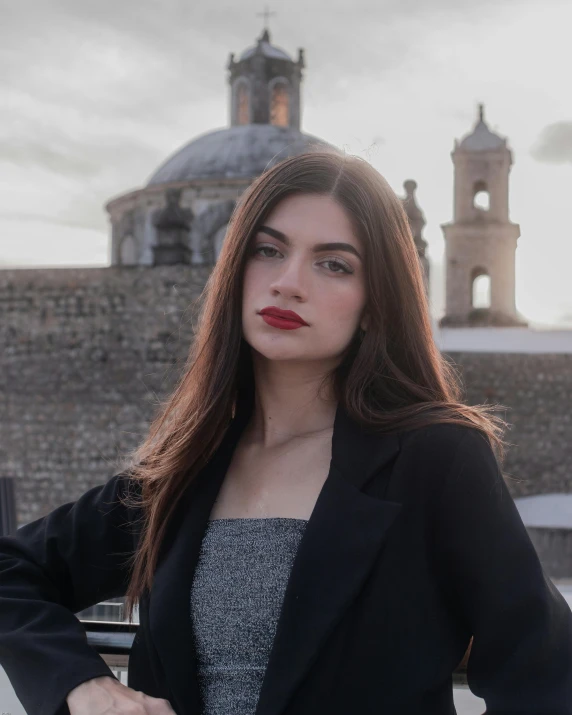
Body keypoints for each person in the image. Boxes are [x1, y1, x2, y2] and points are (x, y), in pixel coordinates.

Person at [1, 150, 571, 715]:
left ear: (375, 304)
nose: (288, 283)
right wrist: (83, 685)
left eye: (334, 264)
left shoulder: (436, 460)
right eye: (268, 251)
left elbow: (546, 674)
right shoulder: (184, 470)